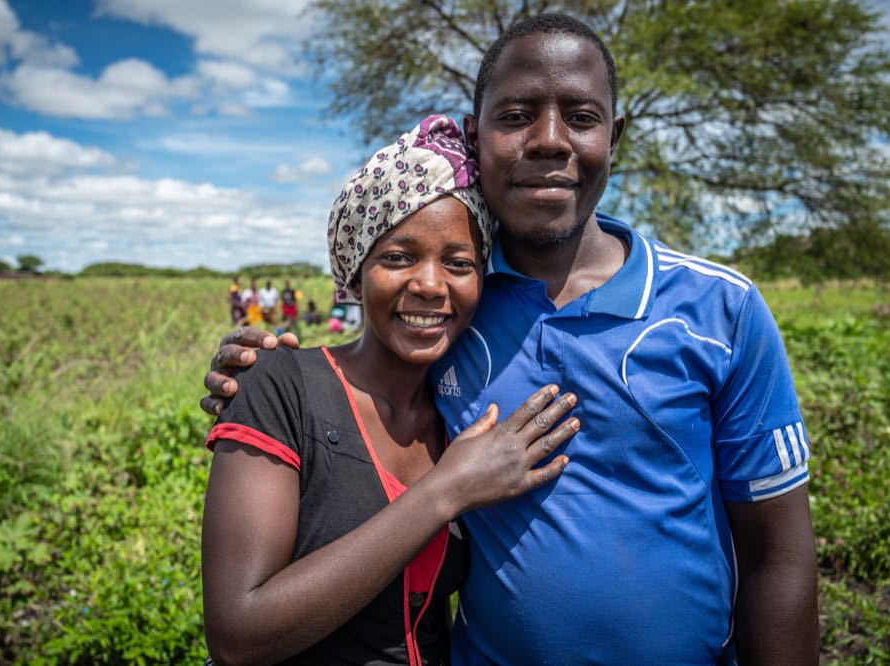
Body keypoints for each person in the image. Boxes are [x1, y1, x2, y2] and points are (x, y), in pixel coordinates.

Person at [201, 14, 819, 664]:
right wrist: (261, 374)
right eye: (517, 115)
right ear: (476, 136)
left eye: (581, 117)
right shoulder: (456, 315)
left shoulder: (722, 311)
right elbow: (352, 387)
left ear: (616, 135)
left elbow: (777, 556)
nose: (550, 140)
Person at [202, 115, 579, 666]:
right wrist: (443, 492)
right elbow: (238, 633)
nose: (429, 285)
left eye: (458, 263)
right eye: (399, 257)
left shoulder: (461, 414)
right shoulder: (282, 385)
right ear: (355, 274)